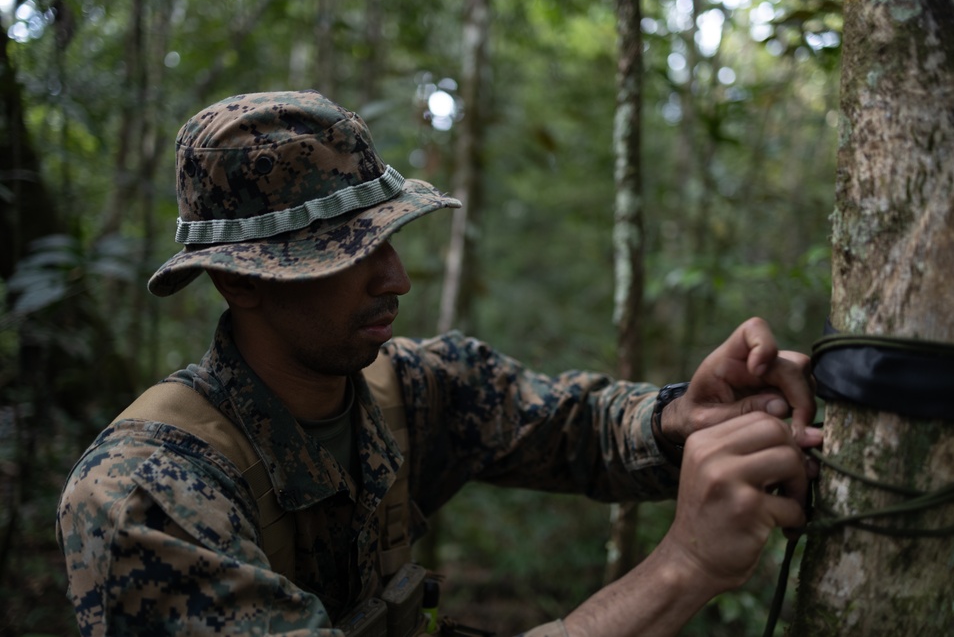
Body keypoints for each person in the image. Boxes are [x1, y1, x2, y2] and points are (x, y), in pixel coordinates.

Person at [56, 89, 822, 637]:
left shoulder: (410, 388)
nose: (395, 278)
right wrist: (682, 566)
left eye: (387, 239)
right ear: (238, 280)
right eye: (345, 254)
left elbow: (575, 423)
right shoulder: (141, 500)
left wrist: (687, 414)